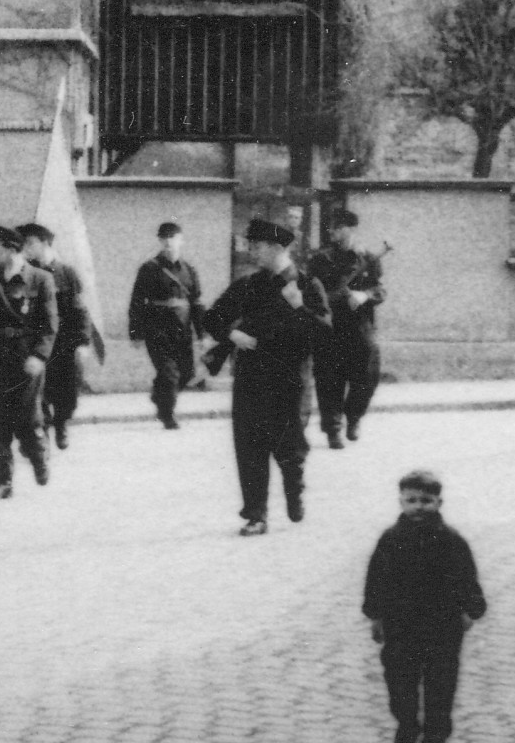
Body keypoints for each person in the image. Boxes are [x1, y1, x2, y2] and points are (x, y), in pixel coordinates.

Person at [202, 218, 334, 535]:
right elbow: (211, 318)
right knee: (250, 446)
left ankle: (293, 491)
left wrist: (300, 307)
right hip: (251, 377)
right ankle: (256, 515)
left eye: (257, 246)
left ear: (277, 248)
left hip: (289, 379)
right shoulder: (248, 285)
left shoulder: (307, 285)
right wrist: (232, 334)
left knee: (290, 446)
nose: (252, 252)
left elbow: (326, 335)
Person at [362, 470, 487, 743]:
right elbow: (376, 579)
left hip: (442, 624)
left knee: (440, 683)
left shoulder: (451, 541)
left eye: (426, 501)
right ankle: (406, 725)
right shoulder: (391, 539)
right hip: (400, 624)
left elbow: (465, 577)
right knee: (399, 680)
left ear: (439, 503)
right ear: (401, 501)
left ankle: (435, 737)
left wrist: (470, 609)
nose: (419, 506)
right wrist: (375, 615)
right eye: (412, 500)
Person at [0, 227, 59, 502]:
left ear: (12, 249)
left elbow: (49, 324)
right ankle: (2, 480)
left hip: (25, 359)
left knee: (27, 419)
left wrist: (39, 356)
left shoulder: (40, 279)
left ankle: (38, 456)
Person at [307, 209, 386, 448]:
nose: (333, 231)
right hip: (330, 327)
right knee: (328, 378)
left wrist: (364, 295)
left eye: (338, 227)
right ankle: (333, 430)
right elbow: (310, 292)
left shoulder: (368, 258)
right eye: (332, 227)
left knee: (367, 376)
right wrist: (333, 299)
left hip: (360, 327)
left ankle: (354, 418)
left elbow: (380, 290)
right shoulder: (320, 259)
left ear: (351, 229)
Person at [126, 222, 204, 431]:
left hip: (182, 330)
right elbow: (136, 301)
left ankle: (159, 395)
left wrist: (202, 334)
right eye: (164, 238)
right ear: (160, 241)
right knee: (169, 374)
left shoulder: (189, 270)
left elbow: (196, 303)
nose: (169, 242)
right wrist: (135, 333)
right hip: (157, 329)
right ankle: (167, 415)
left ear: (181, 240)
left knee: (187, 373)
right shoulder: (149, 268)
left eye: (173, 237)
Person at [19, 224, 91, 450]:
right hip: (37, 341)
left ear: (45, 243)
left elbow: (80, 310)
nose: (26, 247)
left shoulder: (66, 273)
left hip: (64, 341)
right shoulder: (26, 274)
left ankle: (61, 423)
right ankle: (43, 430)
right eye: (24, 243)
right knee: (36, 391)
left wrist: (83, 341)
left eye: (31, 243)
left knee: (68, 390)